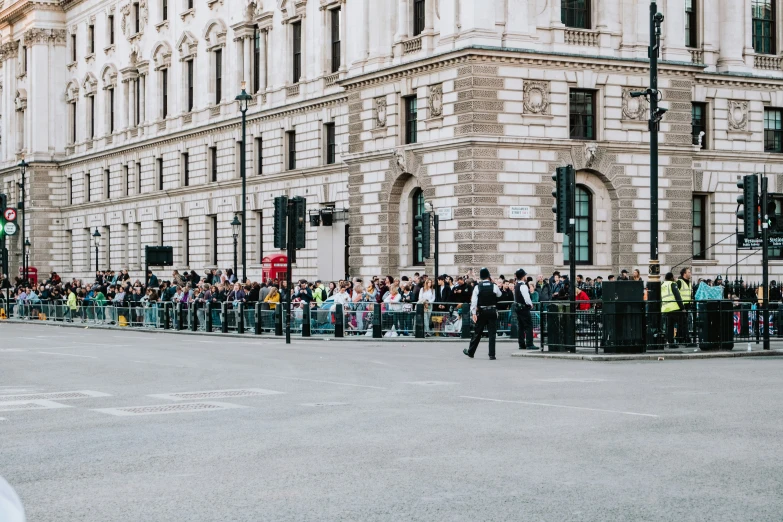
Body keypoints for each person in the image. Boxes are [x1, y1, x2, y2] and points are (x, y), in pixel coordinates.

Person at [464, 267, 502, 360]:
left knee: (477, 332)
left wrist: (473, 313)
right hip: (492, 311)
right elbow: (499, 294)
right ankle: (492, 354)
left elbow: (473, 301)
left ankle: (471, 352)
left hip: (482, 311)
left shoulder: (478, 287)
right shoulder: (494, 286)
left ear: (481, 277)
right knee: (492, 334)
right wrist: (494, 283)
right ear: (489, 276)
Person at [514, 268, 535, 350]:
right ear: (523, 277)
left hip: (518, 307)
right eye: (525, 275)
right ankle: (529, 344)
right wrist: (530, 304)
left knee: (521, 326)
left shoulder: (516, 285)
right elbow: (526, 298)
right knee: (528, 325)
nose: (526, 276)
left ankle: (521, 344)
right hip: (523, 308)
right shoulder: (523, 286)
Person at [661, 272, 684, 346]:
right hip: (674, 308)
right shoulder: (672, 284)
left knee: (669, 327)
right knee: (682, 324)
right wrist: (682, 308)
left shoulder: (662, 285)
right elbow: (678, 296)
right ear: (671, 278)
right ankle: (681, 339)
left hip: (665, 308)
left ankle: (670, 341)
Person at [677, 267, 692, 345]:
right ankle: (684, 339)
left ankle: (681, 338)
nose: (690, 274)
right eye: (688, 272)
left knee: (684, 323)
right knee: (683, 323)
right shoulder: (679, 282)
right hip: (681, 305)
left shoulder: (689, 282)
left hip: (687, 305)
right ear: (684, 274)